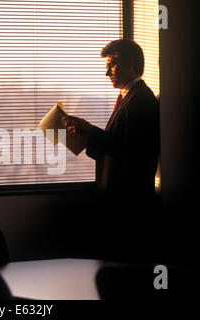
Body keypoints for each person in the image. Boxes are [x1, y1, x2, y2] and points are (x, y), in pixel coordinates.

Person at [64, 39, 160, 208]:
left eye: (112, 65)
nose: (107, 73)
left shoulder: (141, 99)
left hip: (130, 200)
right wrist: (86, 133)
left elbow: (132, 151)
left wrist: (91, 131)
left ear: (130, 63)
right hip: (122, 196)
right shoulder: (129, 97)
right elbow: (119, 142)